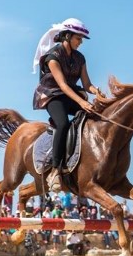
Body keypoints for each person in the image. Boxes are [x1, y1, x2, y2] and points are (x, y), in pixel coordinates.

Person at [32, 18, 102, 193]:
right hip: (51, 95)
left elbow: (87, 85)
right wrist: (82, 102)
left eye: (81, 40)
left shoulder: (80, 58)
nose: (80, 43)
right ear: (67, 36)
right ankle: (55, 170)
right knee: (62, 123)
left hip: (71, 95)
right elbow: (62, 86)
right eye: (78, 39)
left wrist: (97, 92)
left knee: (95, 116)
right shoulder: (52, 57)